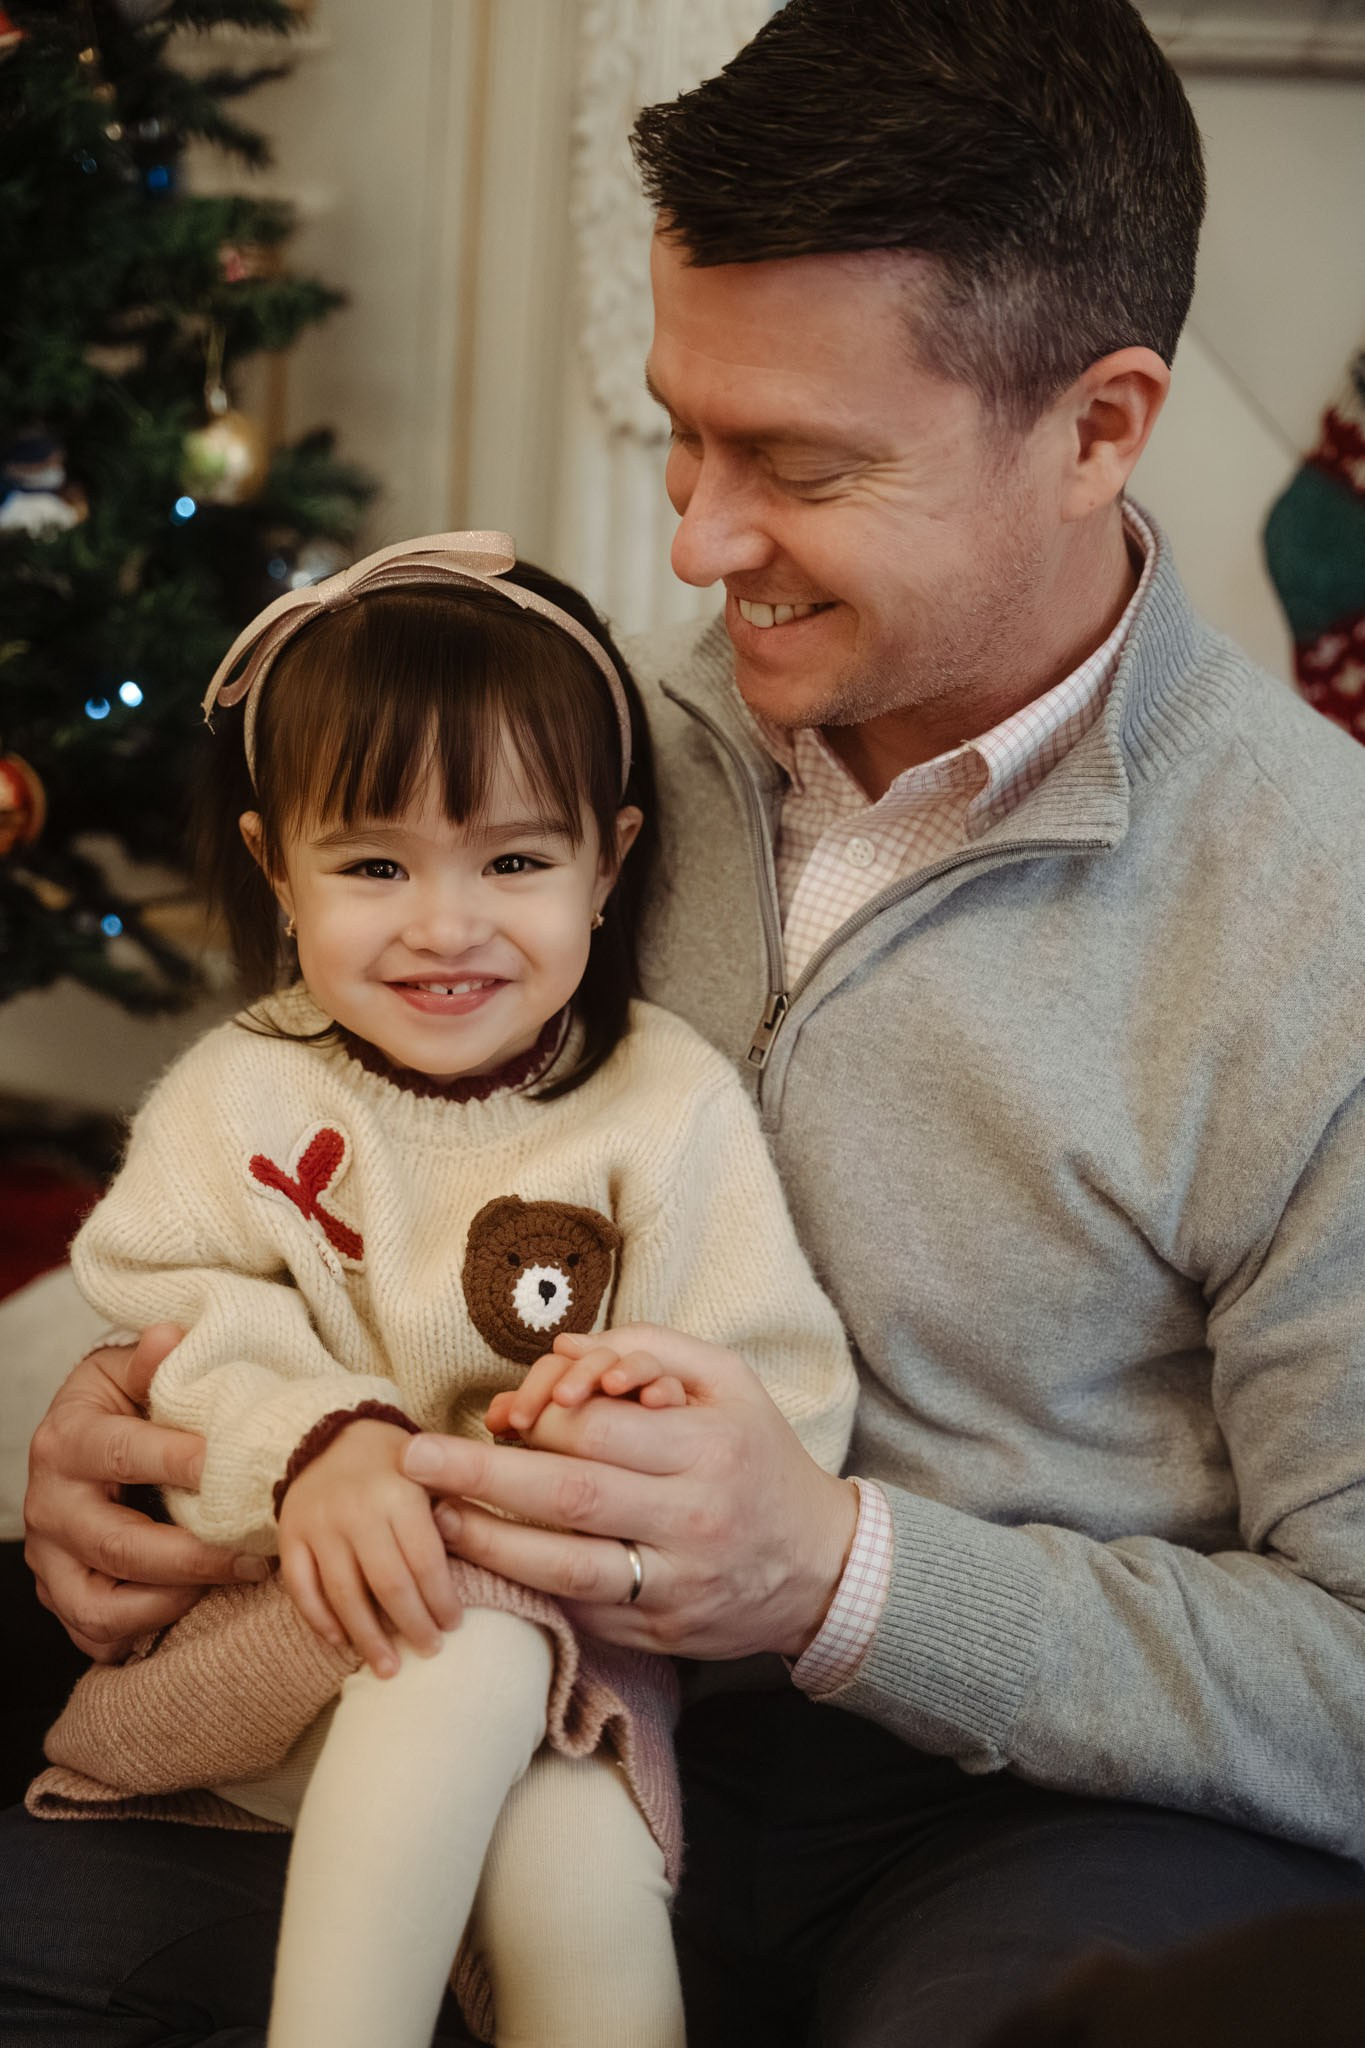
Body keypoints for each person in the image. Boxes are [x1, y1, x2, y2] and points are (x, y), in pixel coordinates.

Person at [11, 0, 1365, 2041]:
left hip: (1014, 1804)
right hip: (451, 1660)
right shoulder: (581, 756)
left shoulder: (1314, 920)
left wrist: (831, 1573)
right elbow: (290, 1164)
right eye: (684, 432)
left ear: (1096, 427)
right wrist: (119, 1432)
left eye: (800, 465)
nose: (692, 541)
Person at [14, 533, 855, 2048]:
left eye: (516, 862)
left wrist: (631, 1427)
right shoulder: (244, 1092)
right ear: (280, 869)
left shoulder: (661, 1108)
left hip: (571, 1675)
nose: (445, 925)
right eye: (376, 864)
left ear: (610, 861)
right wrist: (318, 1444)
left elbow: (777, 1388)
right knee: (458, 1647)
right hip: (284, 1633)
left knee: (583, 1868)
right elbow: (176, 1310)